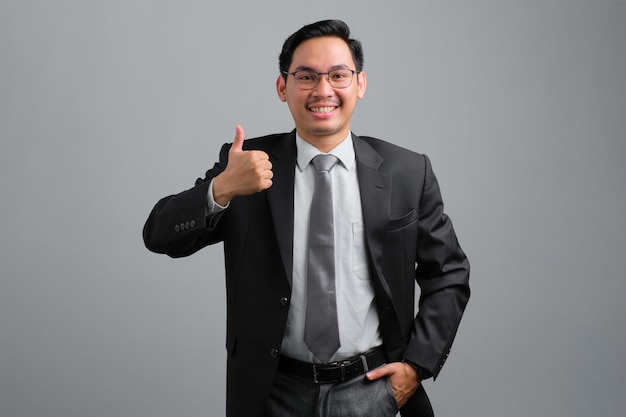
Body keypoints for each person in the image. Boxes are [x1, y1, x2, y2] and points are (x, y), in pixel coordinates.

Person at [143, 19, 470, 417]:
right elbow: (159, 235)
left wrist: (416, 367)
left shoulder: (406, 172)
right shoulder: (245, 165)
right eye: (306, 76)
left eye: (338, 75)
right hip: (273, 393)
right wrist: (222, 189)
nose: (323, 90)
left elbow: (449, 273)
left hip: (372, 389)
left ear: (360, 84)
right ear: (283, 87)